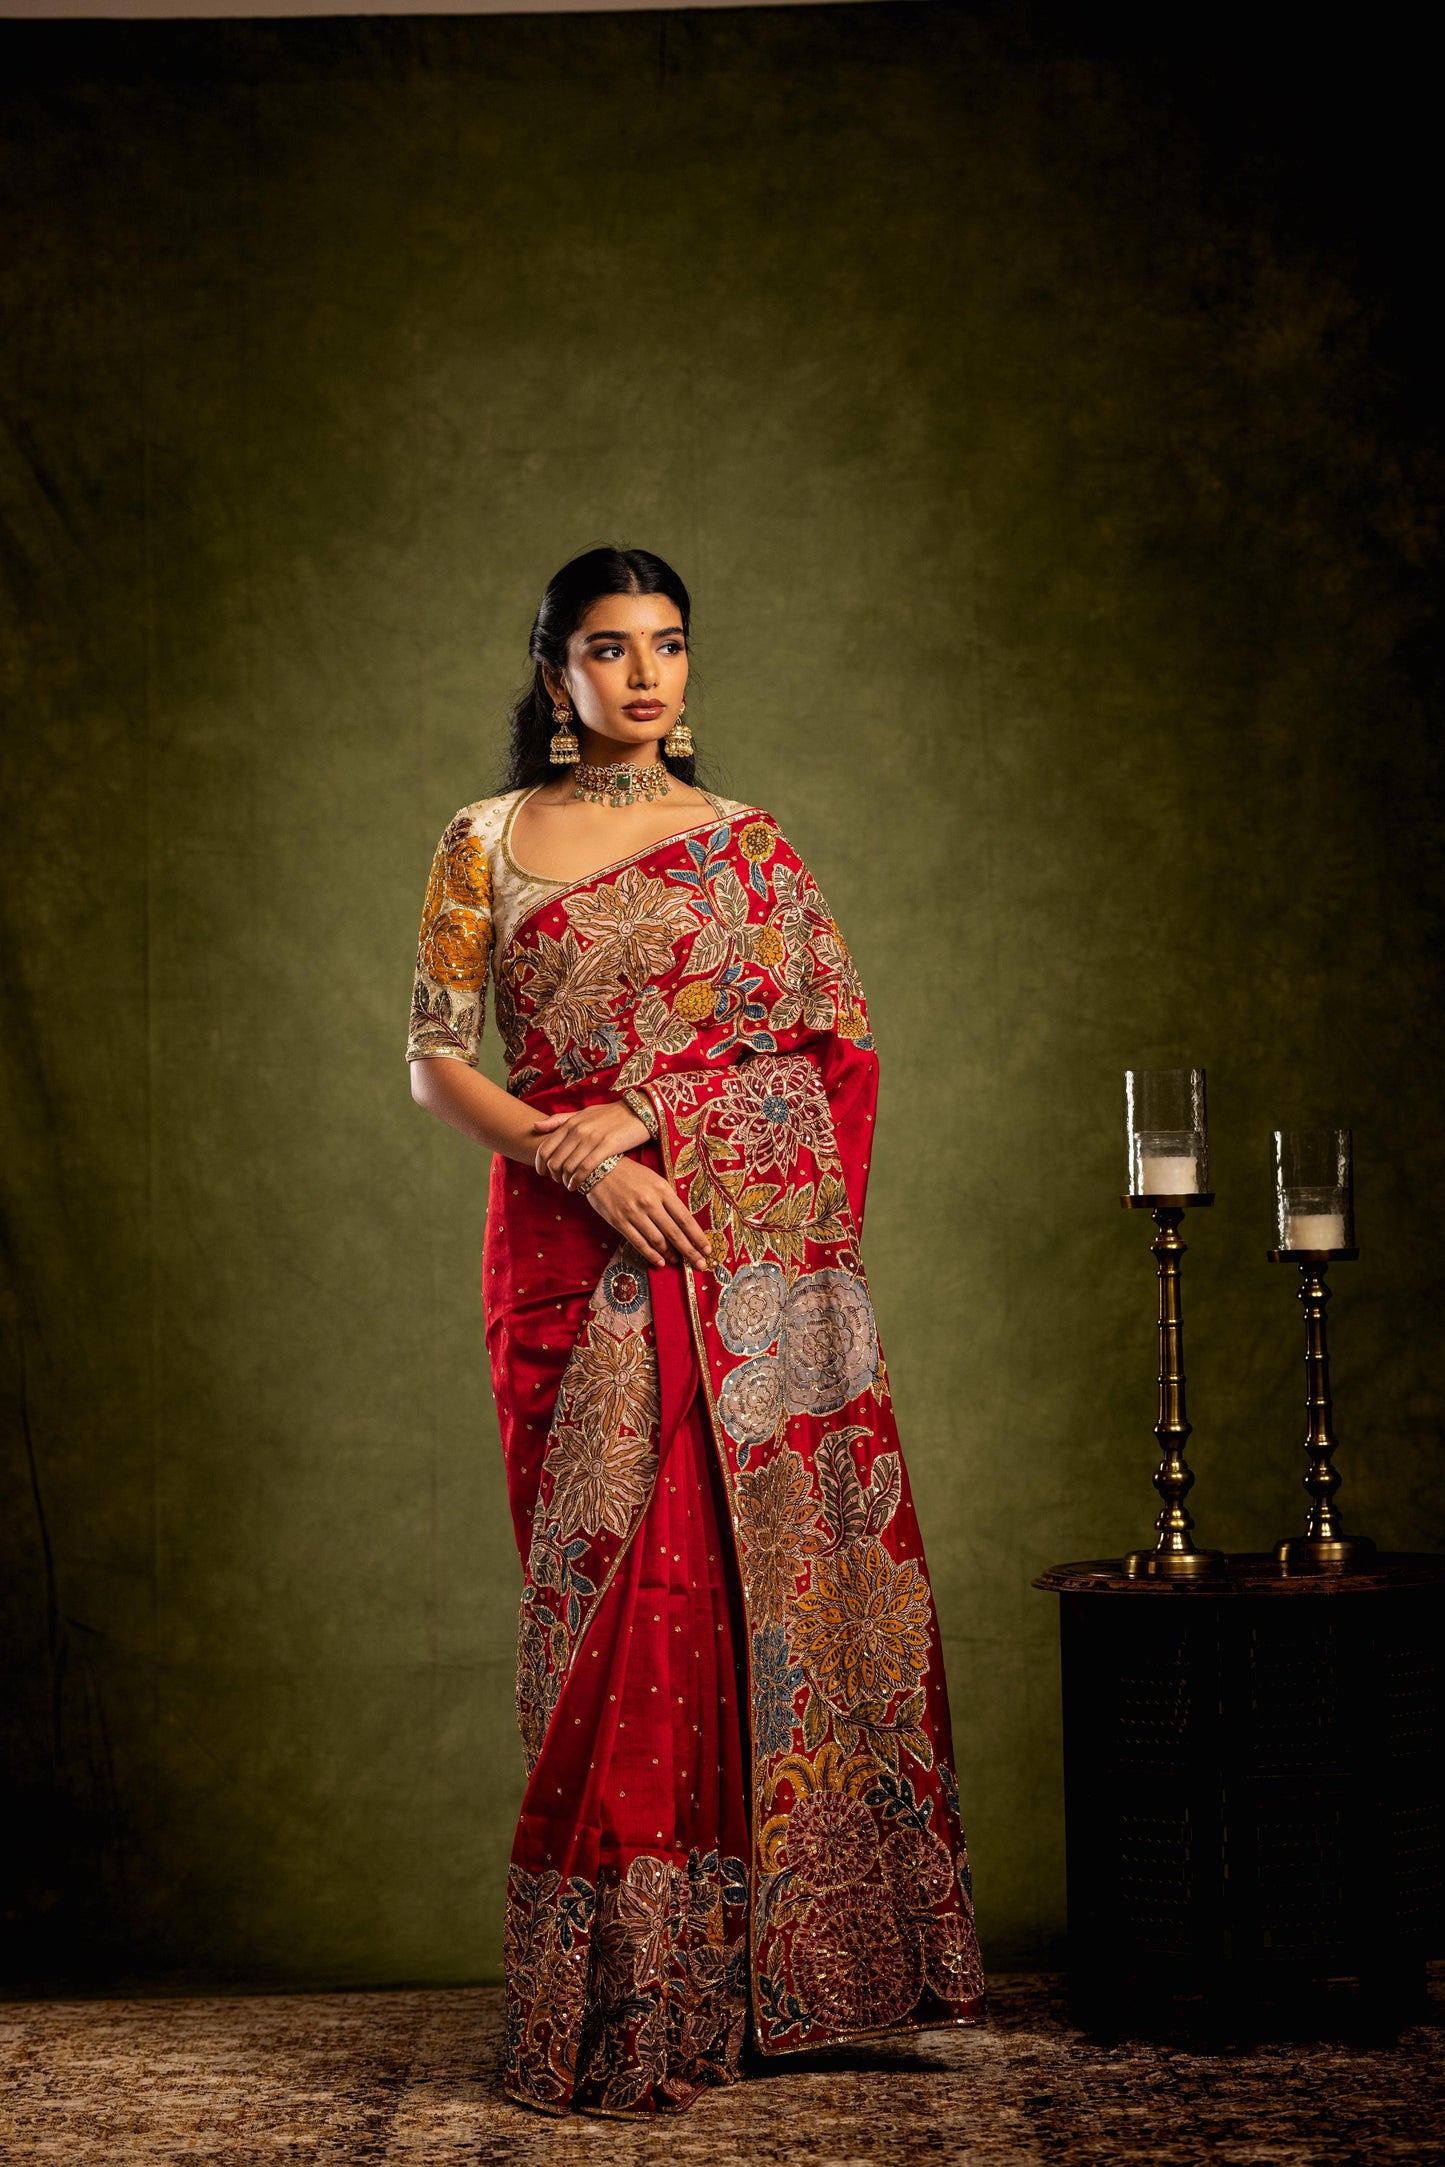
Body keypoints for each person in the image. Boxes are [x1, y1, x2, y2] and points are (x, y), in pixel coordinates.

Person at [407, 546, 984, 2118]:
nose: (645, 674)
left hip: (727, 1256)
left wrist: (660, 1113)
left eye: (666, 644)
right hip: (562, 1253)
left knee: (722, 1593)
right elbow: (435, 1061)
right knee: (609, 1610)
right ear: (554, 673)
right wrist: (573, 1158)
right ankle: (619, 2003)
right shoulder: (481, 841)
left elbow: (834, 1056)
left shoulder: (749, 850)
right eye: (609, 648)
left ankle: (754, 1989)